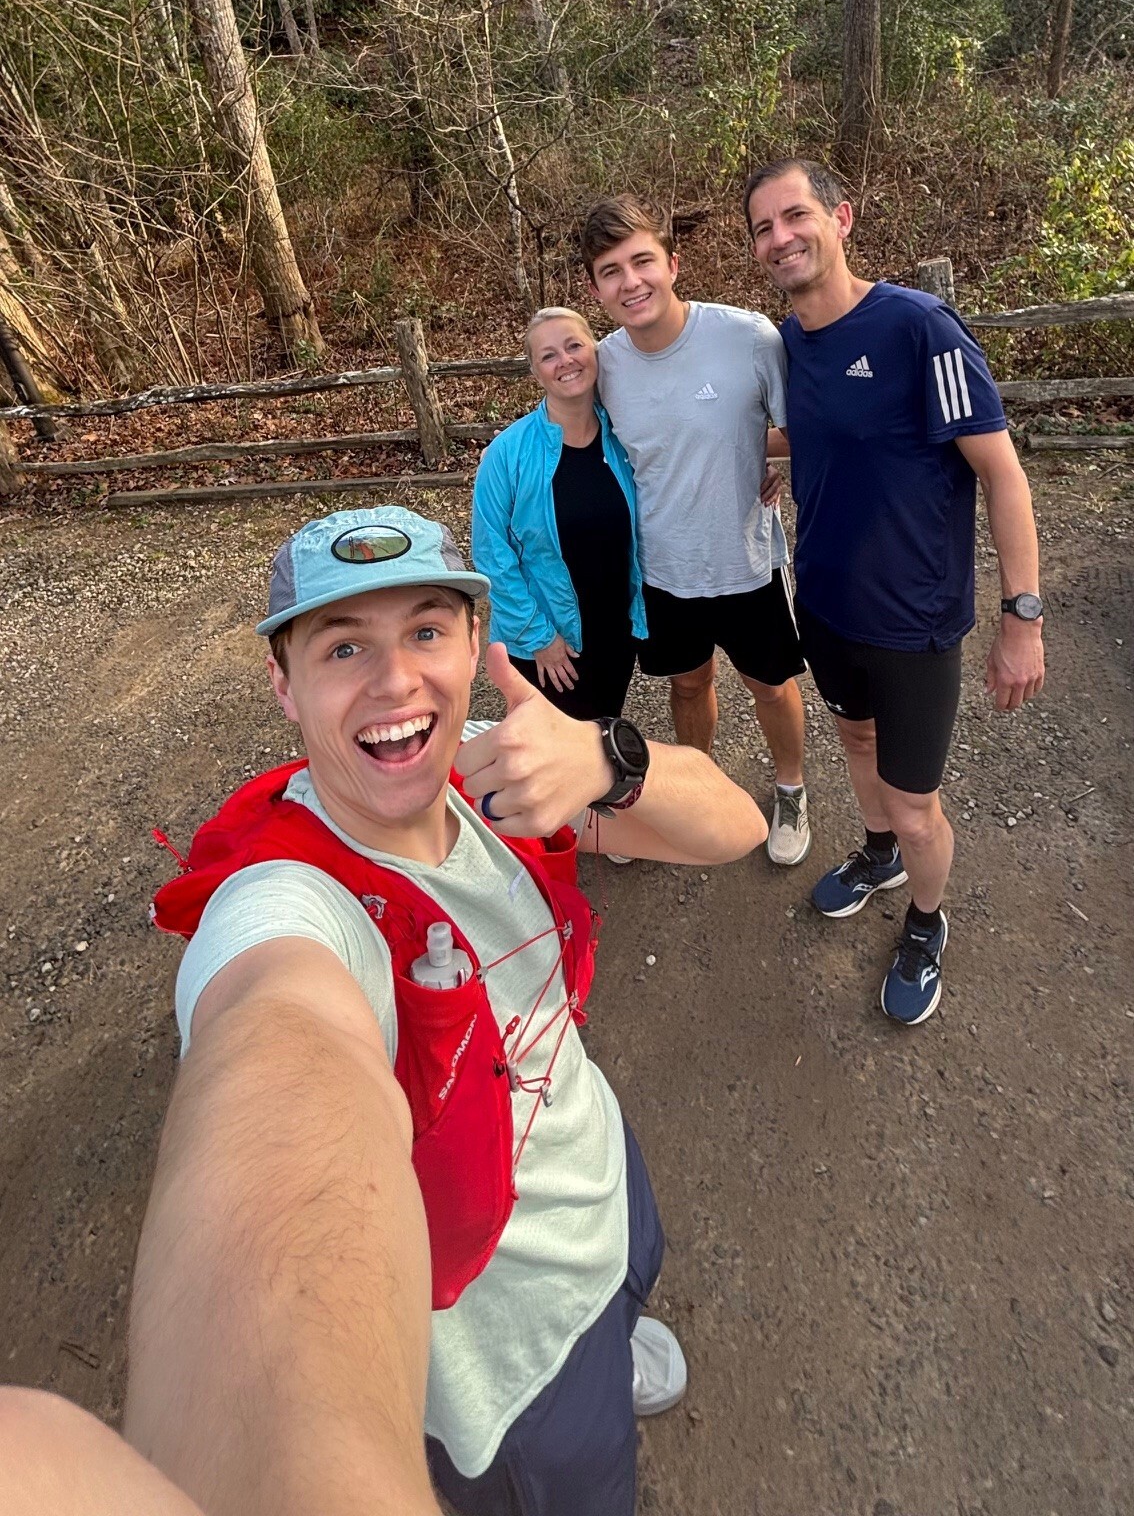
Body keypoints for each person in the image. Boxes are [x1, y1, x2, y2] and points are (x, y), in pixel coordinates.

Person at [42, 505, 763, 1516]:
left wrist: (608, 758)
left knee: (631, 1268)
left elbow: (737, 828)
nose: (394, 682)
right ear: (284, 687)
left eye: (425, 631)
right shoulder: (287, 902)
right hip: (511, 1363)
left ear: (474, 645)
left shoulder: (493, 771)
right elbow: (277, 1059)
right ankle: (590, 1366)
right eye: (344, 648)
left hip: (593, 1164)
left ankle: (614, 1331)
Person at [745, 157, 1045, 1025]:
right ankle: (876, 856)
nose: (780, 238)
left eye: (795, 215)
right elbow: (822, 429)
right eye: (763, 227)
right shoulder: (791, 342)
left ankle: (925, 920)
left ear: (841, 218)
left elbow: (1003, 475)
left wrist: (1022, 618)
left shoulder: (920, 329)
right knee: (855, 741)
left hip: (914, 621)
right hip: (825, 605)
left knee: (919, 808)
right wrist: (767, 458)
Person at [579, 191, 813, 869]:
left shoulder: (748, 338)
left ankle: (791, 790)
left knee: (771, 686)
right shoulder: (601, 367)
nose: (631, 282)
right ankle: (695, 791)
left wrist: (770, 462)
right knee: (687, 685)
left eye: (642, 261)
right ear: (595, 290)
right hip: (662, 568)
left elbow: (799, 429)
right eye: (611, 271)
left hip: (745, 559)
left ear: (673, 264)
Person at [471, 307, 646, 720]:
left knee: (603, 734)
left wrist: (756, 470)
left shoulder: (626, 437)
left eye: (574, 346)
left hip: (615, 631)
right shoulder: (507, 454)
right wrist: (539, 638)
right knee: (549, 749)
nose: (565, 361)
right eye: (548, 355)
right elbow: (492, 553)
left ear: (594, 351)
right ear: (536, 371)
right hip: (548, 643)